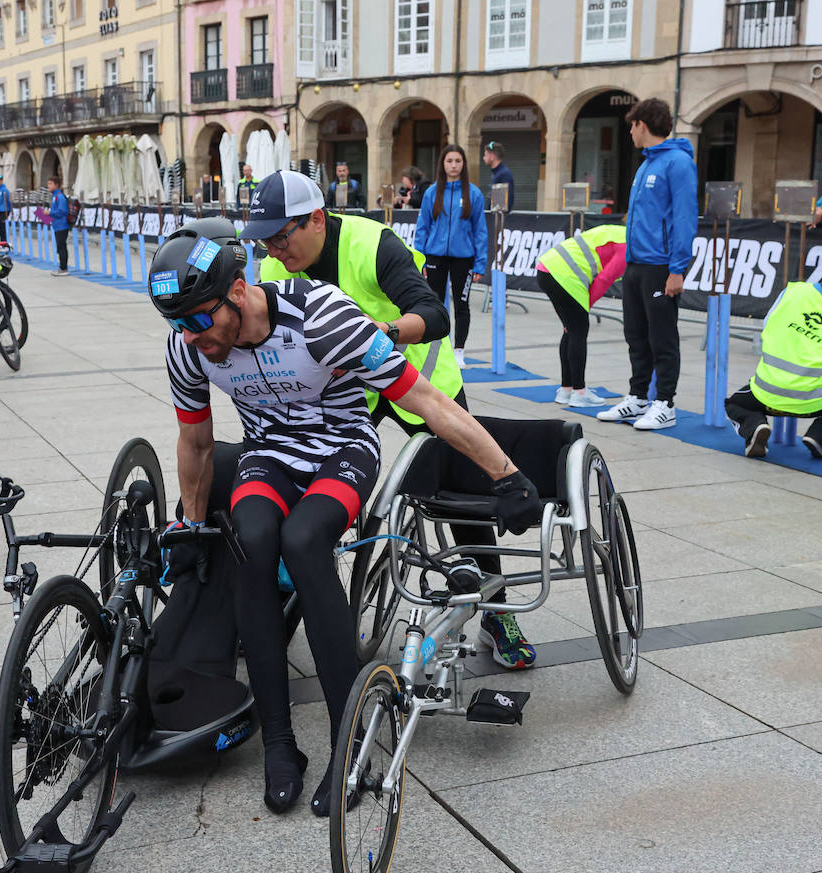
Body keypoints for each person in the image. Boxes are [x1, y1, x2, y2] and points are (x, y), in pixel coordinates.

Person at [151, 217, 541, 818]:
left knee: (305, 543)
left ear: (236, 290)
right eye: (177, 323)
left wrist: (506, 474)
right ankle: (281, 745)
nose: (191, 335)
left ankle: (348, 740)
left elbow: (426, 400)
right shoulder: (190, 347)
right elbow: (197, 446)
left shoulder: (320, 317)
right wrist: (194, 528)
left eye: (199, 318)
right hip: (270, 452)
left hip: (342, 447)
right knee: (251, 540)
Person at [238, 171, 538, 671]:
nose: (272, 248)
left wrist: (383, 331)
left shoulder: (370, 242)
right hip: (345, 389)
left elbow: (434, 314)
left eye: (280, 236)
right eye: (264, 238)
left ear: (316, 219)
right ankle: (297, 582)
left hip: (418, 377)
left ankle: (497, 611)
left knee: (463, 501)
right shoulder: (275, 263)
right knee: (312, 469)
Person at [597, 97, 698, 432]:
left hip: (661, 265)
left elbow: (684, 218)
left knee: (662, 337)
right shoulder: (646, 165)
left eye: (631, 125)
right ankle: (638, 397)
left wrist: (677, 268)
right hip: (637, 263)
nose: (629, 131)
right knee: (635, 334)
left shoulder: (678, 163)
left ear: (642, 124)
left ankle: (665, 403)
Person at [726, 239, 822, 460]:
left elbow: (767, 325)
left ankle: (755, 426)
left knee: (734, 403)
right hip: (817, 401)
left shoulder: (793, 291)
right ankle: (821, 436)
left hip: (767, 396)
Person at [536, 223, 627, 406]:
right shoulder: (629, 246)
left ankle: (566, 390)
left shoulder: (619, 232)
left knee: (570, 330)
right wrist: (585, 306)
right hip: (566, 276)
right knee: (578, 331)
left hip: (546, 268)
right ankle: (580, 392)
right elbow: (604, 279)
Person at [416, 144, 487, 368]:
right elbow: (422, 226)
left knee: (462, 304)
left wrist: (480, 263)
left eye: (458, 161)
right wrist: (420, 258)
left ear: (463, 164)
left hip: (463, 258)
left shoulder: (473, 194)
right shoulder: (431, 192)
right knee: (433, 305)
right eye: (449, 161)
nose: (454, 165)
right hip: (435, 257)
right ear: (443, 164)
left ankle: (459, 351)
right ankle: (436, 347)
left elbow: (480, 230)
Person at [482, 141, 514, 212]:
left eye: (485, 155)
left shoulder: (503, 174)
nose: (483, 158)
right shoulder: (498, 173)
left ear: (492, 156)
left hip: (497, 220)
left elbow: (500, 207)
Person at [48, 175, 69, 276]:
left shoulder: (59, 196)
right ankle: (62, 267)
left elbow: (62, 211)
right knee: (59, 247)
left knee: (62, 247)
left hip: (62, 225)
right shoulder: (54, 196)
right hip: (57, 225)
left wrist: (50, 213)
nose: (48, 186)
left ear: (56, 185)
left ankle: (64, 268)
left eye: (50, 184)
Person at [0, 173, 11, 243]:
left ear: (1, 181)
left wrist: (8, 210)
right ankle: (2, 240)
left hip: (4, 210)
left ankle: (4, 241)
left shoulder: (4, 190)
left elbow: (8, 200)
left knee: (2, 227)